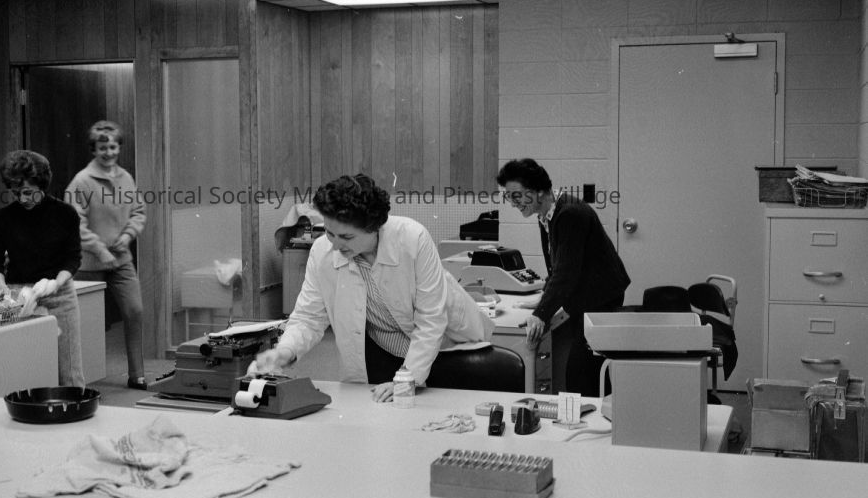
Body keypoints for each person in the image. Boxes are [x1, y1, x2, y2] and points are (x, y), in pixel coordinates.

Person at [249, 174, 492, 402]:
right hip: (383, 347)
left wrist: (406, 379)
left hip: (443, 346)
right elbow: (308, 318)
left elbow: (430, 320)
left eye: (347, 237)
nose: (335, 246)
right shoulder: (322, 251)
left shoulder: (413, 239)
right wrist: (285, 351)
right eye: (330, 233)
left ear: (374, 227)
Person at [496, 158, 631, 397]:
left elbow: (566, 272)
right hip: (588, 294)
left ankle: (600, 415)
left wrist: (541, 314)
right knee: (587, 371)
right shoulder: (547, 213)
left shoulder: (569, 214)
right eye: (508, 197)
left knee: (583, 374)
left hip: (600, 297)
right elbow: (557, 266)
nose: (512, 203)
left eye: (516, 195)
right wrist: (544, 299)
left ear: (538, 191)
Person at [0, 149, 86, 388]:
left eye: (28, 192)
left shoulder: (65, 214)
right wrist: (1, 288)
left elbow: (72, 259)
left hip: (59, 296)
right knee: (21, 371)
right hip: (18, 297)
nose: (22, 199)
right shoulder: (4, 218)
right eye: (16, 192)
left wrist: (55, 283)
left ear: (42, 185)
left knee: (69, 373)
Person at [65, 120, 148, 390]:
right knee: (87, 322)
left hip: (121, 260)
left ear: (118, 148)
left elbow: (138, 212)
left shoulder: (126, 178)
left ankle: (137, 375)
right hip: (89, 264)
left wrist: (128, 235)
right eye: (102, 148)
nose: (108, 152)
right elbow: (75, 224)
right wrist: (100, 250)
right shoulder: (81, 182)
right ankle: (83, 381)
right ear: (94, 150)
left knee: (135, 311)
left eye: (112, 147)